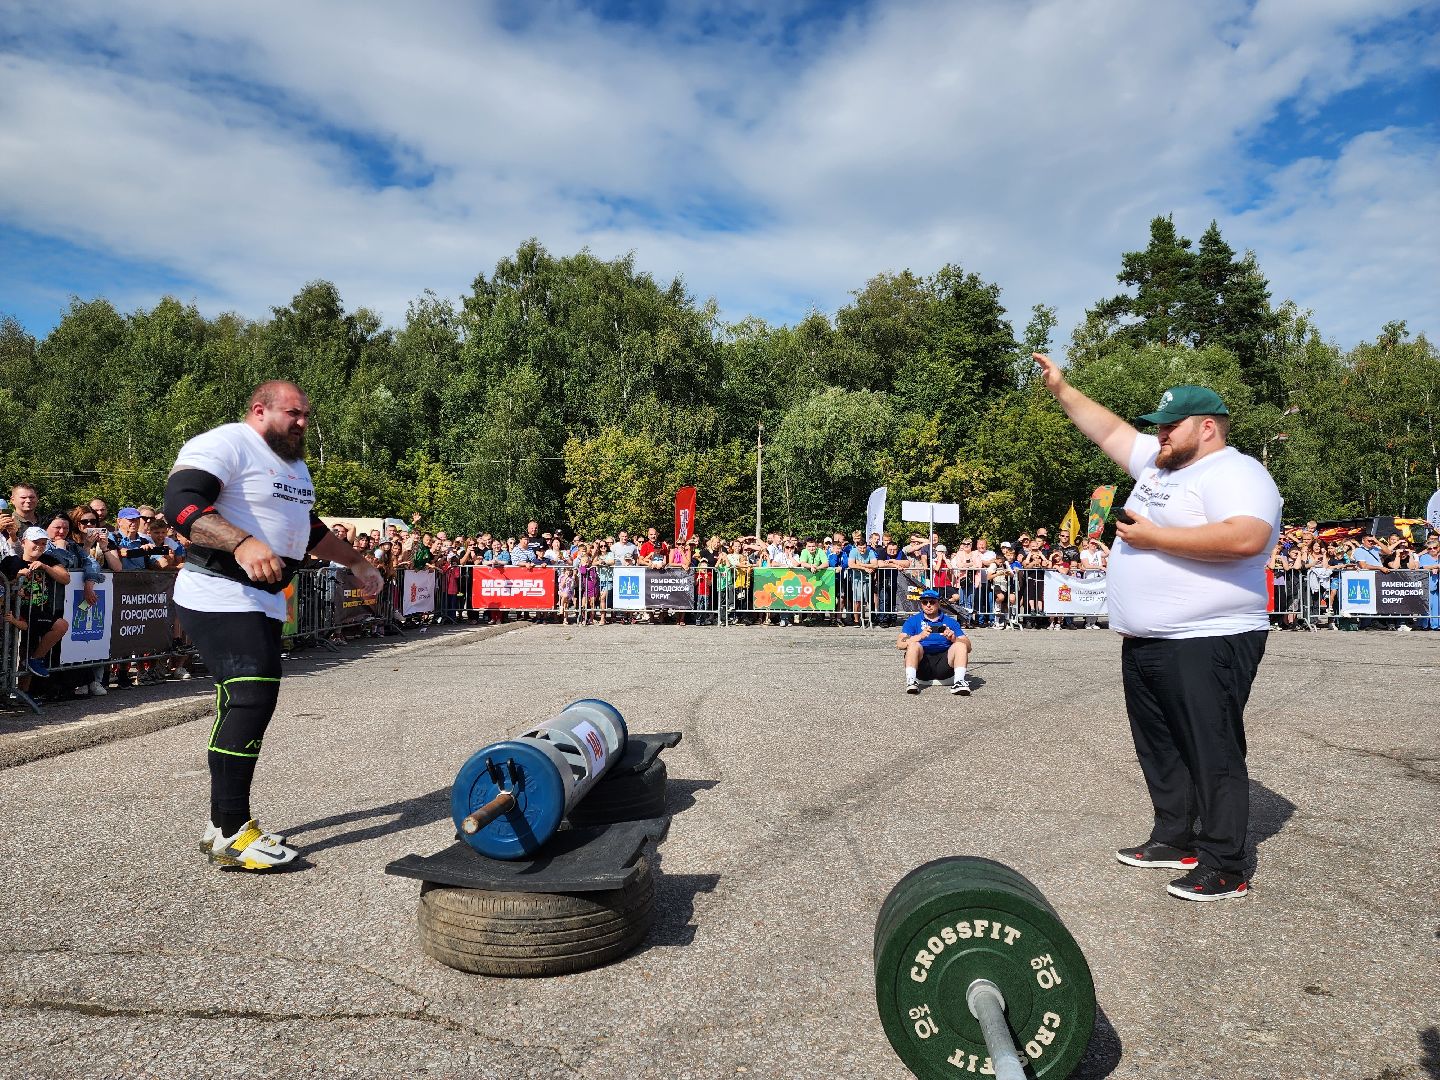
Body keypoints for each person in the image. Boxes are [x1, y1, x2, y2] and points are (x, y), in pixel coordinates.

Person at [1036, 354, 1281, 903]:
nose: (1160, 434)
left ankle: (1225, 863)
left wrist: (1154, 540)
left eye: (1170, 426)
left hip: (1210, 637)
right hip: (1148, 640)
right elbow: (1110, 431)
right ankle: (1176, 837)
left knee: (1211, 750)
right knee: (1162, 746)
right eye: (1158, 427)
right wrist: (1062, 389)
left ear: (1207, 427)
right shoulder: (1160, 465)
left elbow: (1246, 537)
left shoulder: (1235, 471)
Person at [164, 380, 382, 872]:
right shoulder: (225, 443)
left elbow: (311, 530)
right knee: (251, 695)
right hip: (217, 590)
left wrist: (359, 563)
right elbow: (180, 505)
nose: (303, 423)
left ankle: (223, 826)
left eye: (307, 415)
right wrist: (241, 542)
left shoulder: (295, 467)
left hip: (262, 599)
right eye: (293, 414)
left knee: (245, 700)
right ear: (259, 410)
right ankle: (230, 830)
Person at [896, 588, 972, 695]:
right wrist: (919, 637)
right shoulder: (913, 620)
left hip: (945, 664)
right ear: (921, 604)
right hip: (922, 664)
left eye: (932, 602)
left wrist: (954, 639)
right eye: (924, 602)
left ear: (938, 603)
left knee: (960, 645)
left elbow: (968, 647)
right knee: (913, 645)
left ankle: (959, 682)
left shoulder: (950, 622)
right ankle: (911, 681)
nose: (928, 605)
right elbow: (900, 644)